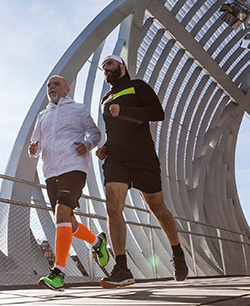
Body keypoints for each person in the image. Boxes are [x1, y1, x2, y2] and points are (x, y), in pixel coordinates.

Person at [96, 55, 189, 289]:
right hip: (116, 159)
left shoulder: (137, 86)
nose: (105, 68)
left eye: (109, 64)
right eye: (103, 66)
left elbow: (158, 113)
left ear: (121, 67)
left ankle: (177, 253)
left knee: (157, 207)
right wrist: (106, 147)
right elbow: (115, 128)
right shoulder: (105, 99)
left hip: (143, 157)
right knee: (112, 207)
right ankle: (122, 267)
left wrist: (125, 109)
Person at [29, 75, 107, 291]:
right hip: (49, 171)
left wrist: (87, 144)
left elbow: (95, 133)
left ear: (66, 89)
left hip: (74, 167)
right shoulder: (42, 116)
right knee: (67, 221)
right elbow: (37, 145)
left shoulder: (78, 109)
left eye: (56, 84)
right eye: (48, 85)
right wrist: (34, 150)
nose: (51, 88)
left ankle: (58, 272)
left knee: (62, 211)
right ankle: (98, 243)